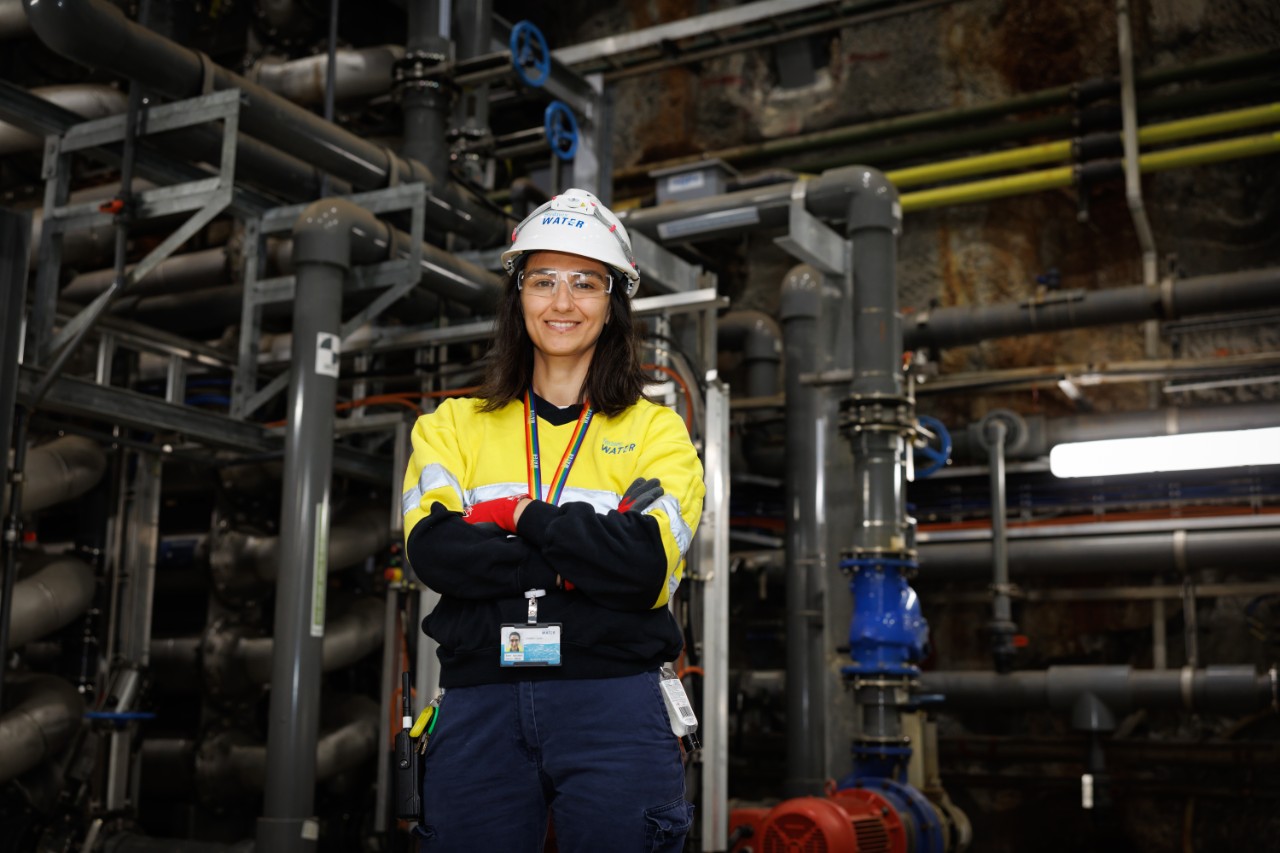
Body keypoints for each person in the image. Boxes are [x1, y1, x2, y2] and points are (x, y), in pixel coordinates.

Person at [401, 188, 705, 853]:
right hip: (479, 704)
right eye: (543, 281)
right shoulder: (452, 426)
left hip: (615, 707)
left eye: (584, 284)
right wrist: (580, 559)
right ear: (518, 297)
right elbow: (437, 553)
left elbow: (644, 567)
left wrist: (516, 514)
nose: (563, 303)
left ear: (612, 301)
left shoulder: (658, 431)